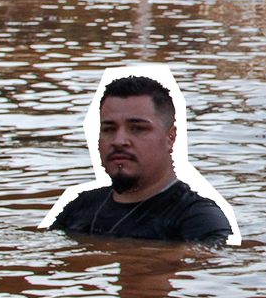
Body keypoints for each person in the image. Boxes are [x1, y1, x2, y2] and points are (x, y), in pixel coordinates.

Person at [51, 76, 233, 244]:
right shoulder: (80, 207)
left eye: (137, 128)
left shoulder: (199, 220)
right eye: (109, 129)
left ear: (170, 137)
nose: (119, 141)